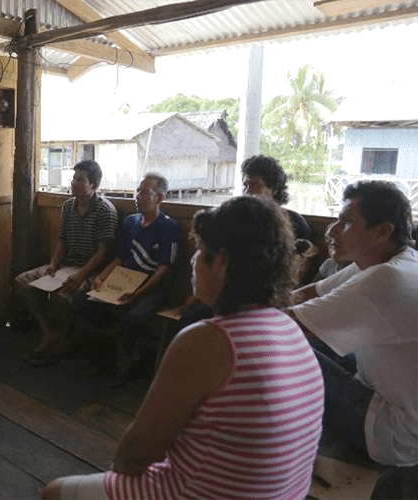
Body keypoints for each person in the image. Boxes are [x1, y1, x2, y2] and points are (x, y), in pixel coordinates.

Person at [43, 196, 324, 500]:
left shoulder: (208, 340)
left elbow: (134, 455)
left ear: (222, 262)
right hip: (285, 494)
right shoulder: (289, 328)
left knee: (55, 491)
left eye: (201, 251)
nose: (193, 262)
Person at [289, 180, 418, 466]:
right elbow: (305, 294)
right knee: (313, 339)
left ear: (383, 231)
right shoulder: (393, 261)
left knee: (285, 350)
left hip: (396, 433)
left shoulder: (385, 279)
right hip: (390, 395)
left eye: (345, 222)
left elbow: (286, 325)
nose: (332, 230)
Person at [176, 154, 316, 330]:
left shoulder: (293, 224)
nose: (248, 191)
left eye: (255, 185)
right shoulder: (238, 221)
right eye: (246, 185)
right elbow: (215, 260)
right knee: (188, 318)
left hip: (263, 300)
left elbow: (289, 271)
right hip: (225, 292)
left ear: (274, 189)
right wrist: (197, 295)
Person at [73, 173, 180, 385]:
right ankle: (112, 351)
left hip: (152, 287)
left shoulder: (169, 227)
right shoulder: (131, 222)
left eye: (145, 192)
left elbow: (164, 270)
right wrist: (100, 279)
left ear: (159, 198)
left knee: (134, 317)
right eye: (138, 190)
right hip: (124, 281)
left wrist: (137, 294)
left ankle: (125, 364)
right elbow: (119, 259)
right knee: (81, 301)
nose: (138, 196)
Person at [15, 160, 118, 367]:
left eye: (80, 180)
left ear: (94, 185)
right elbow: (63, 240)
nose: (74, 184)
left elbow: (104, 251)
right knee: (21, 282)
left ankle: (63, 340)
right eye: (73, 179)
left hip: (91, 270)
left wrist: (82, 274)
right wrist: (53, 264)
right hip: (66, 265)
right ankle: (49, 332)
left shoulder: (105, 210)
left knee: (62, 297)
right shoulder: (68, 206)